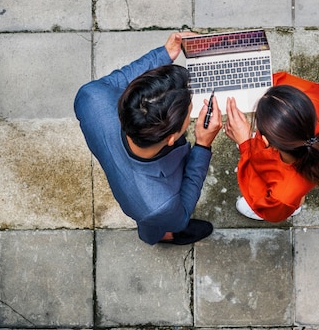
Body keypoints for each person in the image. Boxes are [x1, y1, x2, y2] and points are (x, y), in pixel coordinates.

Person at [74, 32, 222, 245]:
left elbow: (123, 79)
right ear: (171, 138)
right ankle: (160, 237)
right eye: (189, 112)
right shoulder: (159, 204)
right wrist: (203, 145)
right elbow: (181, 214)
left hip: (121, 163)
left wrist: (164, 55)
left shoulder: (91, 98)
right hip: (146, 204)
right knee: (153, 225)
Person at [223, 72, 319, 222]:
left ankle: (295, 206)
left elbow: (272, 210)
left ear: (267, 141)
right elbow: (281, 84)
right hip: (298, 173)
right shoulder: (308, 102)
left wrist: (245, 143)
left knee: (292, 197)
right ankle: (298, 201)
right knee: (297, 192)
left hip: (287, 191)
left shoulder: (281, 197)